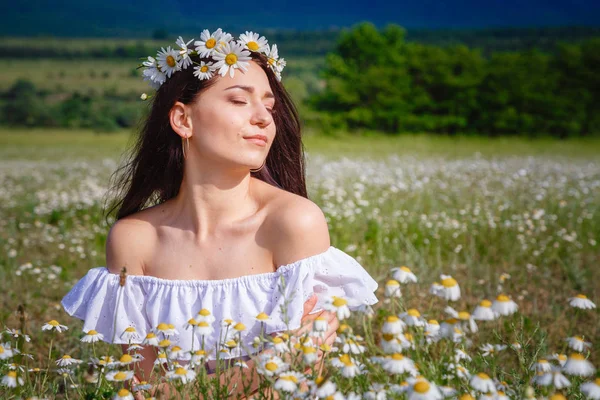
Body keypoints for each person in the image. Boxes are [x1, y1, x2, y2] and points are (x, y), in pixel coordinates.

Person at [61, 29, 379, 399]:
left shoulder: (293, 223)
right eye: (239, 101)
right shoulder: (134, 239)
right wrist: (266, 366)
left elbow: (302, 381)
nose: (263, 118)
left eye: (269, 106)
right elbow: (144, 390)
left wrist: (190, 392)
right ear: (183, 120)